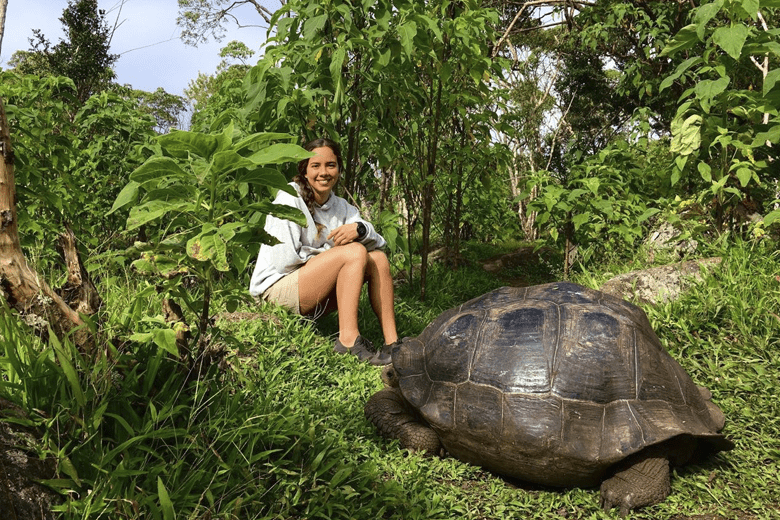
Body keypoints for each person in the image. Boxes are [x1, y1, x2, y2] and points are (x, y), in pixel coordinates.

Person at [249, 138, 399, 365]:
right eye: (315, 166)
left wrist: (359, 229)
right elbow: (284, 262)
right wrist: (333, 257)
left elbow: (379, 243)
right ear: (305, 170)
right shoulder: (290, 198)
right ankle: (348, 341)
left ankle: (393, 345)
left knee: (377, 259)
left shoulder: (341, 206)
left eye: (331, 165)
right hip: (276, 290)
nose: (324, 172)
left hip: (310, 287)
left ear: (339, 169)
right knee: (354, 252)